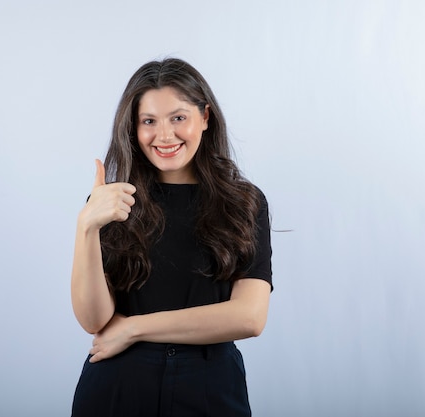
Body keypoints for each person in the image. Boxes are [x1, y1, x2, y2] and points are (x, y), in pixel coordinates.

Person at [70, 58, 273, 417]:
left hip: (210, 384)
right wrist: (86, 226)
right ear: (133, 129)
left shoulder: (244, 202)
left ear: (205, 117)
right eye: (149, 121)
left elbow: (249, 317)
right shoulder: (112, 202)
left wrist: (133, 329)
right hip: (119, 384)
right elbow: (94, 321)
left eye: (178, 117)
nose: (164, 136)